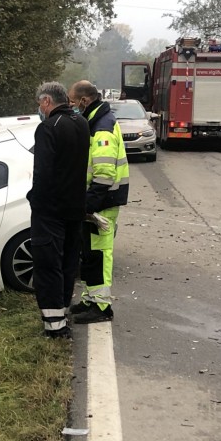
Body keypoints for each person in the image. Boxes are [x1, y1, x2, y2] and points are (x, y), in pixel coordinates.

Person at [27, 81, 90, 339]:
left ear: (46, 102)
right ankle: (62, 313)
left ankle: (54, 327)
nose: (40, 108)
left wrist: (35, 200)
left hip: (50, 210)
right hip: (75, 208)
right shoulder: (82, 123)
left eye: (39, 104)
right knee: (67, 263)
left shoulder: (47, 128)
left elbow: (42, 173)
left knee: (47, 265)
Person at [68, 81, 129, 323]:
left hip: (103, 200)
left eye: (73, 102)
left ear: (84, 100)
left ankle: (102, 308)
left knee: (100, 253)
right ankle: (90, 299)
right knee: (90, 253)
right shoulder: (96, 121)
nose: (72, 106)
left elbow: (104, 173)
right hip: (98, 199)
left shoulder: (102, 128)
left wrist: (89, 204)